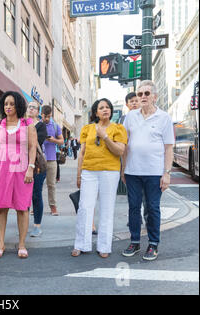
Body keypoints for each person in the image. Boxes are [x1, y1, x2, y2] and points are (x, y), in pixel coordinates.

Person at [121, 81, 175, 261]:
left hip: (154, 172)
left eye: (146, 93)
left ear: (154, 97)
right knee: (134, 208)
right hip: (132, 171)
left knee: (152, 208)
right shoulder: (130, 117)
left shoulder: (164, 117)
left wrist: (166, 173)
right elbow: (125, 145)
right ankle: (134, 241)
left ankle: (153, 244)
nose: (142, 97)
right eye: (140, 94)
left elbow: (168, 148)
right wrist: (123, 168)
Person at [71, 98, 127, 258]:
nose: (105, 109)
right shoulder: (87, 128)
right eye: (101, 107)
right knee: (84, 207)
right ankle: (81, 244)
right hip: (89, 171)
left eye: (108, 107)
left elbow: (119, 151)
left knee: (107, 208)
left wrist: (105, 137)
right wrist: (79, 174)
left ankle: (104, 246)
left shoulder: (118, 128)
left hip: (110, 172)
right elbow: (82, 153)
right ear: (95, 112)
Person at [0, 91, 37, 259]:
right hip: (1, 169)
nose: (8, 107)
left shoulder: (27, 123)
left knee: (22, 208)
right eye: (6, 104)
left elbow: (32, 147)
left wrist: (31, 167)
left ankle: (21, 244)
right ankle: (0, 244)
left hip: (22, 169)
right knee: (1, 208)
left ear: (18, 106)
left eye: (12, 104)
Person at [120, 91, 149, 227]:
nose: (134, 103)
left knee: (147, 197)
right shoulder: (124, 120)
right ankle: (135, 220)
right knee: (133, 197)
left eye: (136, 100)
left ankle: (148, 220)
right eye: (131, 101)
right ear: (127, 104)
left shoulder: (148, 117)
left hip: (147, 166)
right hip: (131, 163)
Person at [27, 102, 48, 237]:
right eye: (29, 107)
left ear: (38, 111)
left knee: (36, 194)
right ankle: (23, 223)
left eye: (34, 107)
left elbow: (34, 143)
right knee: (23, 196)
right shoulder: (22, 124)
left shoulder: (40, 126)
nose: (31, 109)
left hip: (37, 166)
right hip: (21, 164)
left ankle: (37, 225)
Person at [42, 105, 64, 215]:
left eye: (49, 116)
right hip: (38, 159)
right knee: (37, 185)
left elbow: (62, 141)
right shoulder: (36, 125)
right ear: (41, 114)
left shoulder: (55, 126)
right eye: (45, 116)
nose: (47, 119)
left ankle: (53, 206)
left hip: (51, 159)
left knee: (51, 185)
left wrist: (53, 140)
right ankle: (36, 206)